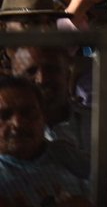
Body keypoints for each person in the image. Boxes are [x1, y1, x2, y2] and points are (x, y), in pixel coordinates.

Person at [0, 75, 89, 203]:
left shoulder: (65, 154)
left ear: (44, 117)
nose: (18, 124)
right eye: (4, 116)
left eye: (28, 113)